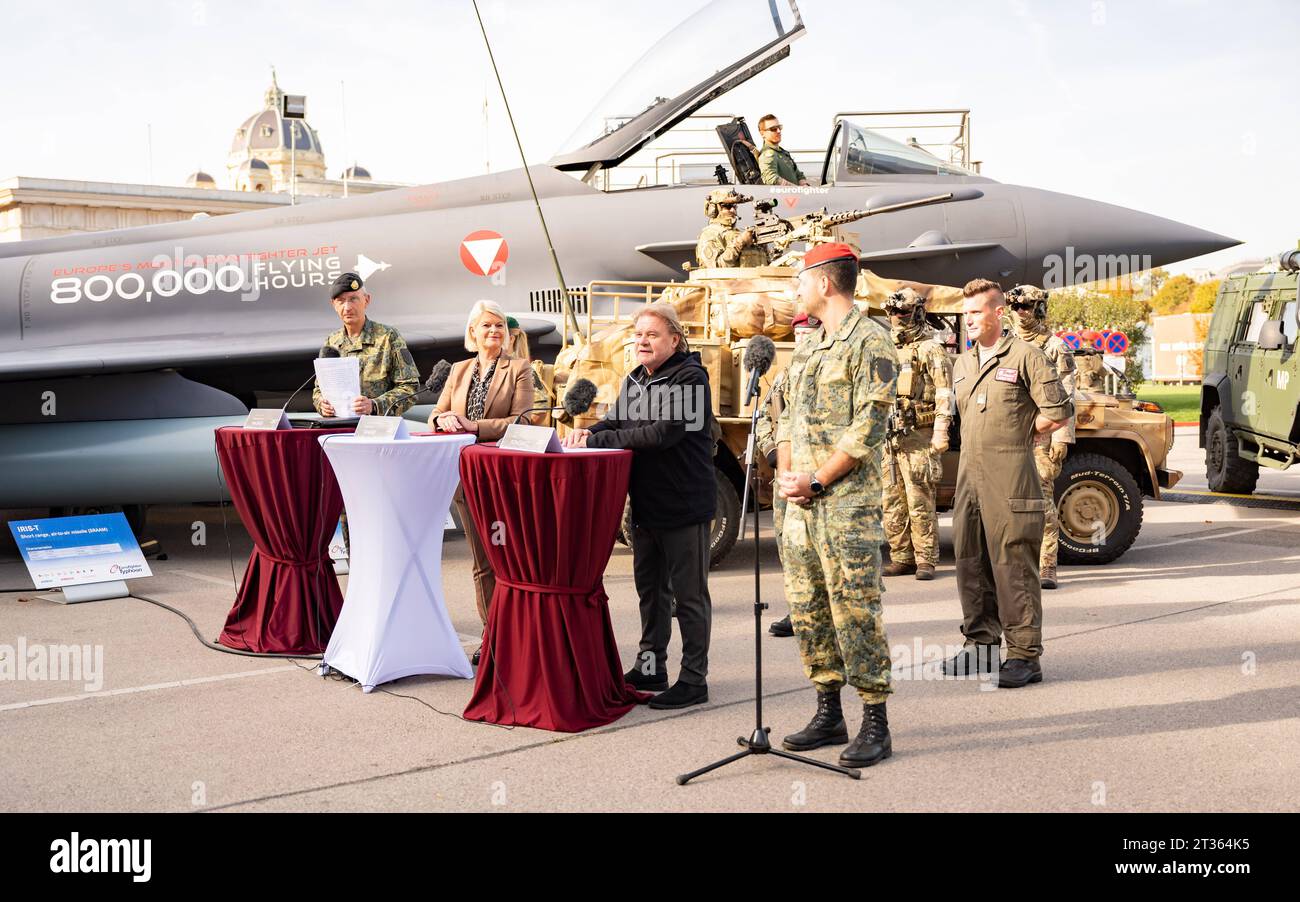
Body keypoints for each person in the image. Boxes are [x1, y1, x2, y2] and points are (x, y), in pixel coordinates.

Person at [775, 242, 898, 768]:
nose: (796, 290)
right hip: (800, 508)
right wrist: (786, 476)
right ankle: (829, 711)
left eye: (801, 280)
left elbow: (868, 425)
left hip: (844, 506)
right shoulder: (808, 345)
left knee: (855, 610)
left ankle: (876, 721)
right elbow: (786, 416)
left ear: (825, 283)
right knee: (810, 610)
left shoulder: (871, 341)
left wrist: (818, 481)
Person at [562, 302, 717, 710]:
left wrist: (597, 442)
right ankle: (651, 667)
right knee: (651, 593)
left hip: (683, 506)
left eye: (652, 334)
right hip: (645, 506)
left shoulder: (690, 378)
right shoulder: (635, 378)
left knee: (689, 597)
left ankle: (693, 679)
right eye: (639, 334)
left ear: (674, 340)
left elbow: (662, 434)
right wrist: (586, 433)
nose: (642, 341)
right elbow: (616, 422)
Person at [942, 279, 1073, 688]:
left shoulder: (1027, 356)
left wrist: (1026, 430)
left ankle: (1024, 655)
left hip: (1013, 477)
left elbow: (1059, 411)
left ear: (999, 313)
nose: (969, 321)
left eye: (976, 312)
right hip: (969, 478)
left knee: (1012, 565)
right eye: (965, 314)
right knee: (970, 561)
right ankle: (980, 645)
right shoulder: (962, 364)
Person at [430, 300, 536, 661]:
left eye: (500, 327)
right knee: (482, 562)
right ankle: (493, 635)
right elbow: (436, 413)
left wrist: (474, 427)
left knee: (511, 555)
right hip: (466, 476)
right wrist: (441, 421)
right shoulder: (458, 370)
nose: (493, 332)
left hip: (505, 476)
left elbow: (523, 420)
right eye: (486, 326)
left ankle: (521, 632)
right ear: (472, 332)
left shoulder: (520, 368)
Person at [880, 288, 955, 581]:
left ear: (917, 312)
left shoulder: (930, 349)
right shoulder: (885, 347)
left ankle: (925, 559)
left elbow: (945, 394)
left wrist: (940, 432)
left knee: (919, 499)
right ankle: (902, 557)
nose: (896, 317)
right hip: (890, 437)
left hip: (919, 436)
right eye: (892, 312)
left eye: (902, 312)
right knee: (891, 500)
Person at [1006, 285, 1077, 590]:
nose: (1020, 311)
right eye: (1015, 306)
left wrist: (1062, 436)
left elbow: (1067, 396)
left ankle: (1047, 565)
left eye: (1026, 306)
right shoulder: (1003, 343)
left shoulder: (1055, 347)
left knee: (1043, 504)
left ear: (1039, 308)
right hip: (1008, 435)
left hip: (1041, 437)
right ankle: (1018, 564)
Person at [756, 312, 819, 638]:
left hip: (818, 476)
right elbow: (766, 417)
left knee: (817, 546)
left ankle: (822, 611)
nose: (802, 341)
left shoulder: (828, 372)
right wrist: (772, 453)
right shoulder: (785, 375)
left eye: (808, 335)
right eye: (798, 337)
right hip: (785, 471)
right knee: (789, 546)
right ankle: (799, 609)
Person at [312, 271, 420, 417]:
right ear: (333, 304)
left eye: (353, 299)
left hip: (378, 429)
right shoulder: (331, 342)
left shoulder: (388, 337)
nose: (347, 307)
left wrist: (374, 405)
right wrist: (321, 404)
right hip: (340, 429)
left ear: (366, 300)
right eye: (341, 301)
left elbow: (410, 388)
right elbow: (319, 389)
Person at [695, 189, 769, 269]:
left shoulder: (740, 233)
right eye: (727, 206)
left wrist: (762, 247)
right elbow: (714, 268)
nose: (733, 210)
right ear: (714, 210)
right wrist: (739, 243)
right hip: (730, 281)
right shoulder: (710, 234)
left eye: (734, 206)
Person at [756, 114, 809, 187]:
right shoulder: (768, 154)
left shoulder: (781, 152)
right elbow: (770, 178)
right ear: (762, 133)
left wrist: (804, 185)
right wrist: (796, 189)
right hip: (786, 197)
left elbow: (797, 174)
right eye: (773, 129)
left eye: (779, 127)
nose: (778, 131)